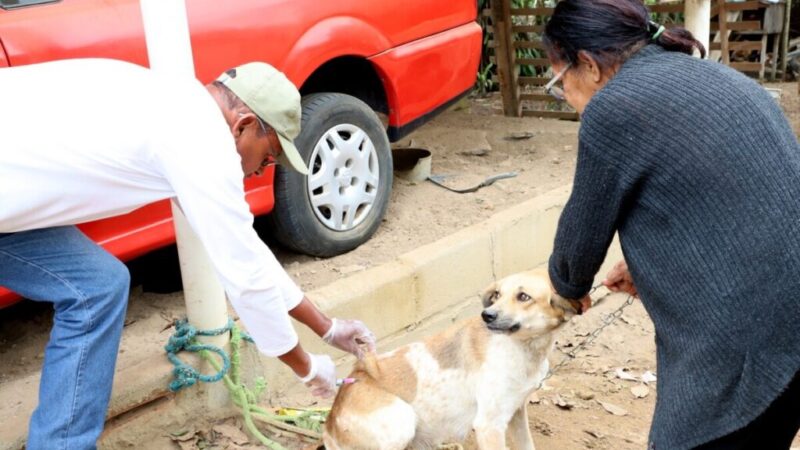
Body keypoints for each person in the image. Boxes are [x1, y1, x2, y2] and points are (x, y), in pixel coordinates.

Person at [0, 59, 376, 449]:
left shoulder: (179, 106)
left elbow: (247, 254)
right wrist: (307, 368)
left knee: (96, 287)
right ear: (243, 124)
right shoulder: (201, 143)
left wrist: (327, 328)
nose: (264, 169)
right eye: (269, 155)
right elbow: (245, 278)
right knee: (94, 288)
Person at [541, 1, 800, 449]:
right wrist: (648, 265)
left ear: (588, 65)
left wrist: (565, 287)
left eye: (558, 80)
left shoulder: (613, 110)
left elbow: (578, 247)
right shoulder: (715, 76)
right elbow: (729, 205)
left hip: (751, 343)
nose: (563, 93)